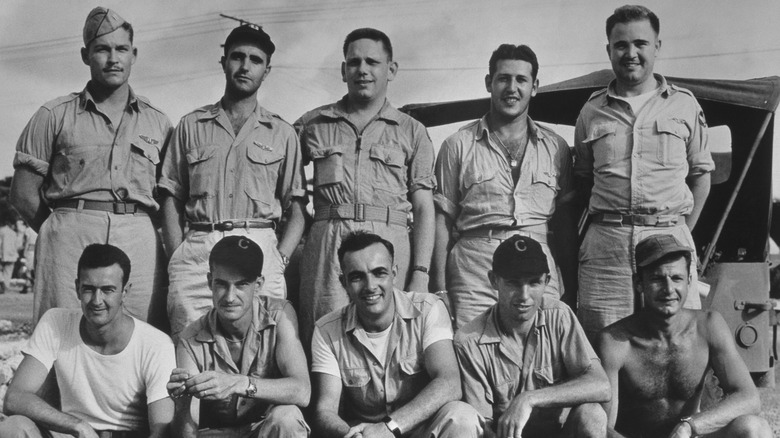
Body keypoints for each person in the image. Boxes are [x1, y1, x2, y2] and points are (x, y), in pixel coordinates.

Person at [9, 7, 172, 327]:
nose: (113, 58)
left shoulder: (159, 122)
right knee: (62, 333)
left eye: (121, 49)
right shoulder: (54, 114)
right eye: (102, 49)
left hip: (139, 237)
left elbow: (169, 197)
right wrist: (60, 231)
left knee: (143, 334)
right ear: (86, 55)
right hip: (70, 237)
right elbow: (23, 194)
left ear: (134, 54)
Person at [573, 4, 715, 339]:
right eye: (621, 45)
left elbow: (701, 177)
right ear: (609, 50)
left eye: (641, 44)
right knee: (603, 349)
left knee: (678, 347)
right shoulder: (592, 111)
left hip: (669, 241)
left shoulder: (684, 105)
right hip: (607, 251)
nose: (631, 53)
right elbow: (582, 180)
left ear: (657, 47)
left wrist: (681, 233)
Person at [158, 24, 306, 338]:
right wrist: (177, 254)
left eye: (255, 60)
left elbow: (296, 208)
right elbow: (170, 196)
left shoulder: (282, 133)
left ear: (267, 70)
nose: (244, 66)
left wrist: (280, 258)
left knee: (262, 344)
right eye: (237, 57)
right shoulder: (191, 126)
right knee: (190, 341)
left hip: (260, 244)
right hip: (200, 246)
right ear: (224, 61)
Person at [295, 28, 436, 346]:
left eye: (372, 61)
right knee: (324, 337)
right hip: (328, 246)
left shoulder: (411, 131)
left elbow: (425, 207)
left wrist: (421, 272)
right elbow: (283, 189)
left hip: (389, 242)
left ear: (391, 69)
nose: (363, 70)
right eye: (354, 62)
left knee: (391, 341)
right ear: (343, 70)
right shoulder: (313, 125)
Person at [433, 43, 577, 329]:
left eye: (521, 80)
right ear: (489, 83)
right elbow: (441, 220)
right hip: (475, 270)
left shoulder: (556, 147)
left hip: (538, 267)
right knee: (473, 351)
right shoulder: (457, 145)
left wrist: (570, 284)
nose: (512, 88)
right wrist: (440, 290)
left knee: (542, 352)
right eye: (503, 79)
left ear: (534, 87)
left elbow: (564, 223)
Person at [597, 234, 772, 438]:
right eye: (657, 279)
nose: (669, 289)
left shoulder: (708, 326)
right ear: (638, 283)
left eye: (677, 278)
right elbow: (602, 427)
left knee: (754, 428)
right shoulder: (615, 342)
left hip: (687, 435)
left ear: (689, 281)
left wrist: (690, 426)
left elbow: (750, 397)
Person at [310, 231, 482, 437]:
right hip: (366, 434)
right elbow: (325, 410)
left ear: (394, 274)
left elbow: (449, 383)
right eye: (357, 277)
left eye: (379, 273)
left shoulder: (428, 309)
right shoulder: (327, 330)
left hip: (420, 430)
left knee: (462, 416)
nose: (370, 286)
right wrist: (352, 434)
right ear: (343, 282)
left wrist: (389, 427)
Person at [0, 244, 176, 438]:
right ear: (77, 288)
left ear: (125, 292)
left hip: (126, 435)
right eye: (89, 289)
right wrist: (78, 426)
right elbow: (15, 397)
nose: (97, 300)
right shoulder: (56, 322)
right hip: (73, 433)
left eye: (108, 290)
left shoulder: (156, 344)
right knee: (14, 427)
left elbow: (161, 429)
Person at [455, 235, 609, 438]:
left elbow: (601, 386)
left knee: (592, 414)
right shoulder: (469, 341)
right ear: (494, 280)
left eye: (534, 283)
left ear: (547, 281)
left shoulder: (559, 315)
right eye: (513, 283)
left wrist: (529, 399)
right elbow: (484, 428)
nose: (524, 295)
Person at [167, 236, 310, 437]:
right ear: (210, 282)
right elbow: (187, 433)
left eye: (241, 284)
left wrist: (240, 383)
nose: (230, 297)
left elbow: (302, 391)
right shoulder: (190, 338)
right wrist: (182, 406)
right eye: (222, 284)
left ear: (258, 284)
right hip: (217, 433)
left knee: (287, 417)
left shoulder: (279, 315)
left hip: (263, 430)